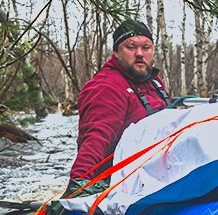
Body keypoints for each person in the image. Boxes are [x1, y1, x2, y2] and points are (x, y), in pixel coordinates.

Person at [65, 19, 171, 196]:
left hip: (156, 176)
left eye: (146, 48)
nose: (140, 54)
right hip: (121, 186)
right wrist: (78, 184)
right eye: (131, 47)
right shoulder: (106, 87)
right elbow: (96, 139)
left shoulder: (155, 83)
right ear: (116, 52)